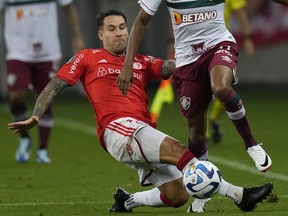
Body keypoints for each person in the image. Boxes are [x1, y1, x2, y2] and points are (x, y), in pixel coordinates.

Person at [7, 9, 273, 214]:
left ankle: (128, 201)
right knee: (183, 153)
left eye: (123, 27)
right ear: (101, 34)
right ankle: (240, 195)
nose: (120, 33)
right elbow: (55, 85)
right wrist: (37, 115)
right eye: (111, 29)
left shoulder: (141, 61)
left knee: (177, 195)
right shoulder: (87, 57)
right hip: (119, 129)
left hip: (141, 132)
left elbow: (171, 66)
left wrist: (203, 58)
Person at [116, 0, 272, 213]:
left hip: (219, 44)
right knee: (196, 134)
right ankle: (202, 194)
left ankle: (251, 145)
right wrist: (127, 63)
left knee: (221, 88)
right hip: (187, 60)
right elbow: (141, 20)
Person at [0, 0, 85, 163]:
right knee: (16, 97)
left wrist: (77, 36)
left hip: (48, 51)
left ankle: (42, 149)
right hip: (17, 50)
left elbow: (68, 7)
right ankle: (24, 138)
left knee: (46, 97)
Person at [206, 0, 255, 145]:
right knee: (203, 88)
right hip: (196, 46)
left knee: (223, 87)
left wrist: (247, 38)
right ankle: (205, 132)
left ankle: (213, 118)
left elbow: (240, 12)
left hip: (221, 45)